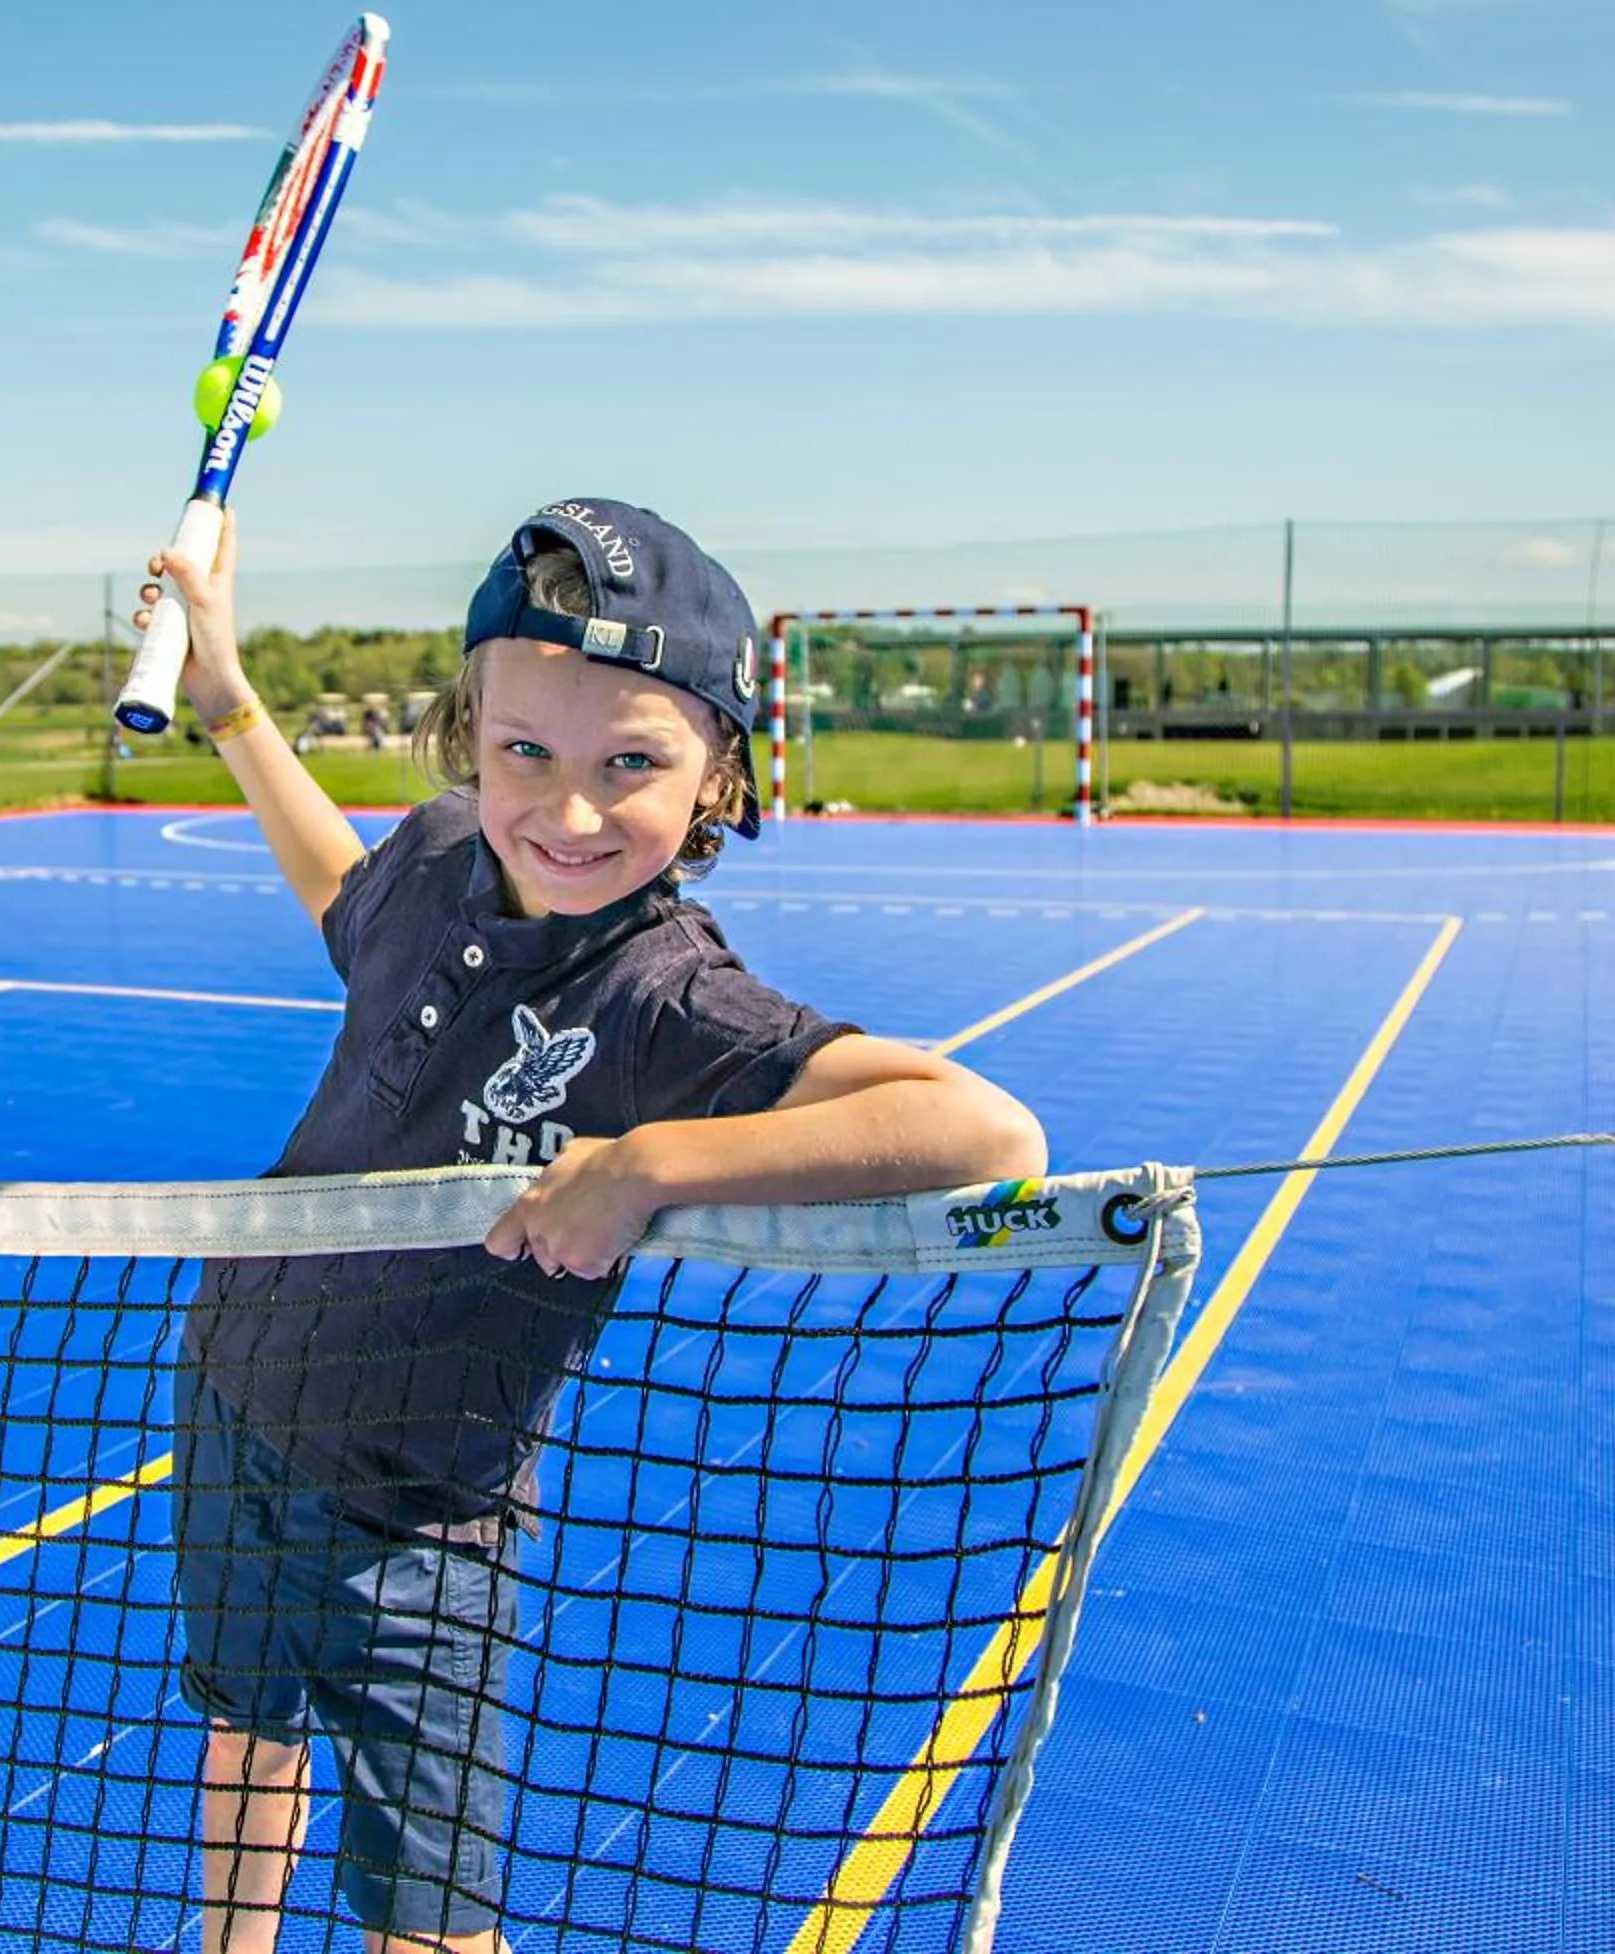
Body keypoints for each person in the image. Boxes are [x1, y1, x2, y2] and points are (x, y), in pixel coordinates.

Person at [138, 496, 1048, 1954]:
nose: (568, 813)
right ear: (468, 738)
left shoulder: (667, 1000)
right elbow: (344, 896)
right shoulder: (439, 855)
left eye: (632, 763)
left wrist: (647, 1158)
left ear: (717, 779)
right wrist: (233, 697)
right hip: (237, 1392)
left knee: (429, 1911)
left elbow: (982, 1128)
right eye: (526, 755)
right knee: (245, 1727)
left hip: (419, 1512)